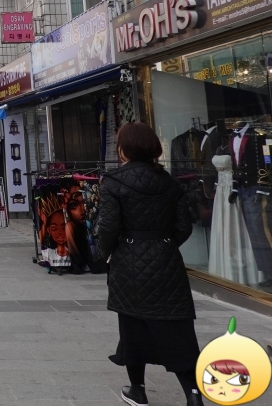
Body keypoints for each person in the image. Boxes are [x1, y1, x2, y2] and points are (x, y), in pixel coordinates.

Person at [98, 122, 202, 406]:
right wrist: (163, 246)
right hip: (167, 260)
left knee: (132, 325)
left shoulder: (114, 182)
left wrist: (106, 253)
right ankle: (193, 395)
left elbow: (108, 226)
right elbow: (184, 227)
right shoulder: (169, 182)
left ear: (123, 149)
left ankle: (138, 390)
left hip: (128, 259)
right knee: (178, 329)